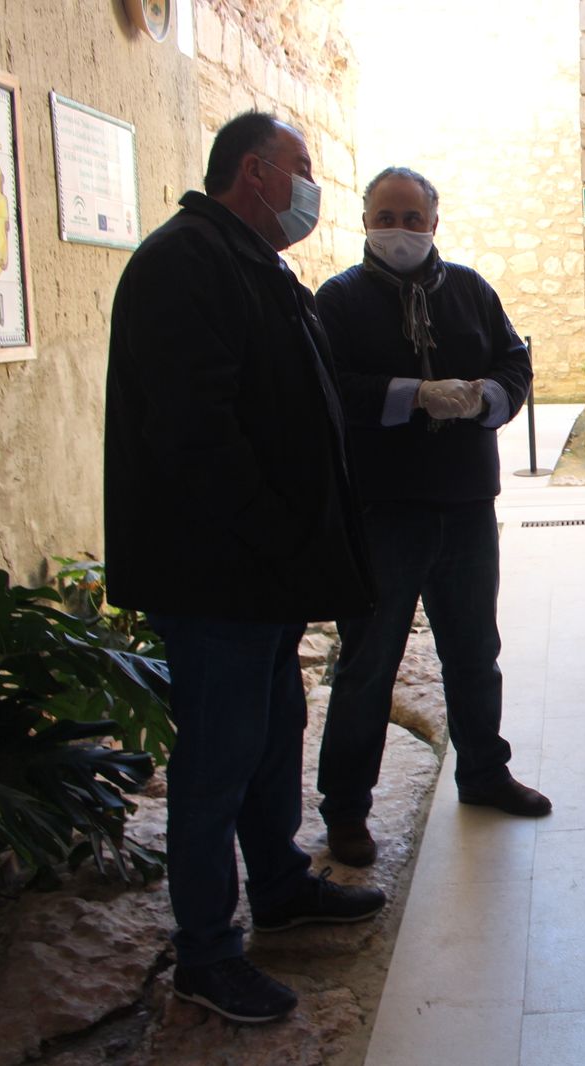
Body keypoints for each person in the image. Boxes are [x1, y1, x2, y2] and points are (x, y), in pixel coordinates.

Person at [105, 111, 384, 1024]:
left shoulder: (250, 261)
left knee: (272, 735)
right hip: (216, 574)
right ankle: (206, 954)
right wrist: (274, 532)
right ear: (256, 173)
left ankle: (278, 882)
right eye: (301, 169)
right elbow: (195, 433)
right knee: (218, 759)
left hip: (265, 572)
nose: (312, 188)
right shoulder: (184, 262)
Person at [315, 166, 546, 870]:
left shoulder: (471, 289)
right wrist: (412, 395)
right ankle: (346, 809)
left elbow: (516, 364)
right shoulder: (339, 299)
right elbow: (329, 389)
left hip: (467, 507)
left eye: (414, 217)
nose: (402, 229)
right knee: (368, 665)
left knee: (475, 652)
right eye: (388, 215)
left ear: (434, 224)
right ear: (366, 221)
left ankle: (482, 773)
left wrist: (486, 400)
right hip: (384, 511)